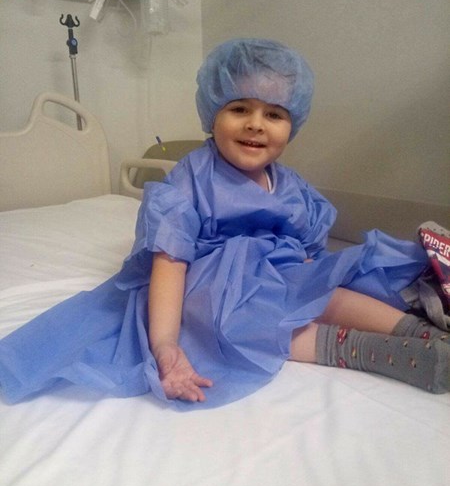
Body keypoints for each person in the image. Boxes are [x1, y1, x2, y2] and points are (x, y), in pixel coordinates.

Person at [0, 38, 448, 409]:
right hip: (212, 284)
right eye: (239, 109)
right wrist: (166, 345)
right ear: (211, 114)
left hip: (278, 272)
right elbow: (170, 262)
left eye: (274, 114)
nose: (256, 125)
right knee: (244, 322)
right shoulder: (191, 179)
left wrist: (315, 279)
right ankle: (369, 351)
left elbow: (312, 254)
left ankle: (419, 332)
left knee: (328, 287)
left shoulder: (292, 186)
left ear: (292, 125)